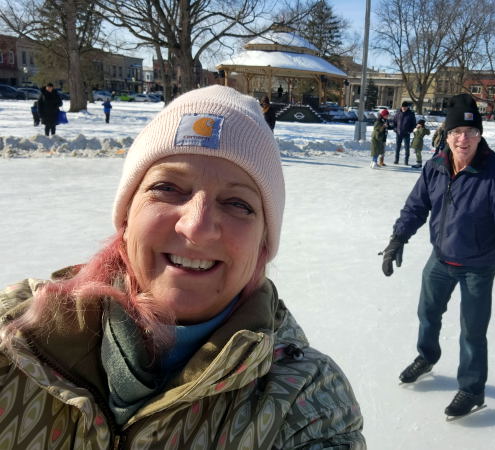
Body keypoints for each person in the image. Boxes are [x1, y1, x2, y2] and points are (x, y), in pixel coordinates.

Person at [0, 85, 365, 448]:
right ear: (127, 215)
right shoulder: (15, 335)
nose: (197, 226)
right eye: (168, 187)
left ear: (263, 244)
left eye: (238, 203)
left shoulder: (306, 399)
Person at [380, 93, 495, 419]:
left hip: (477, 265)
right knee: (427, 312)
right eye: (456, 132)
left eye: (470, 132)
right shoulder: (435, 167)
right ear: (446, 135)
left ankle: (472, 389)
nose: (463, 139)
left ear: (480, 135)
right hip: (440, 258)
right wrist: (397, 240)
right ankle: (427, 356)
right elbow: (415, 208)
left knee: (472, 331)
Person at [392, 101, 416, 165]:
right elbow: (394, 123)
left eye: (405, 107)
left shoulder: (411, 114)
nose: (404, 108)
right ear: (401, 107)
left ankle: (406, 161)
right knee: (397, 147)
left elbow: (414, 124)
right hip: (399, 133)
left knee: (407, 148)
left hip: (406, 134)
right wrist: (395, 129)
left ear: (407, 107)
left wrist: (410, 130)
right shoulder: (398, 113)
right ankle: (396, 160)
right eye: (403, 107)